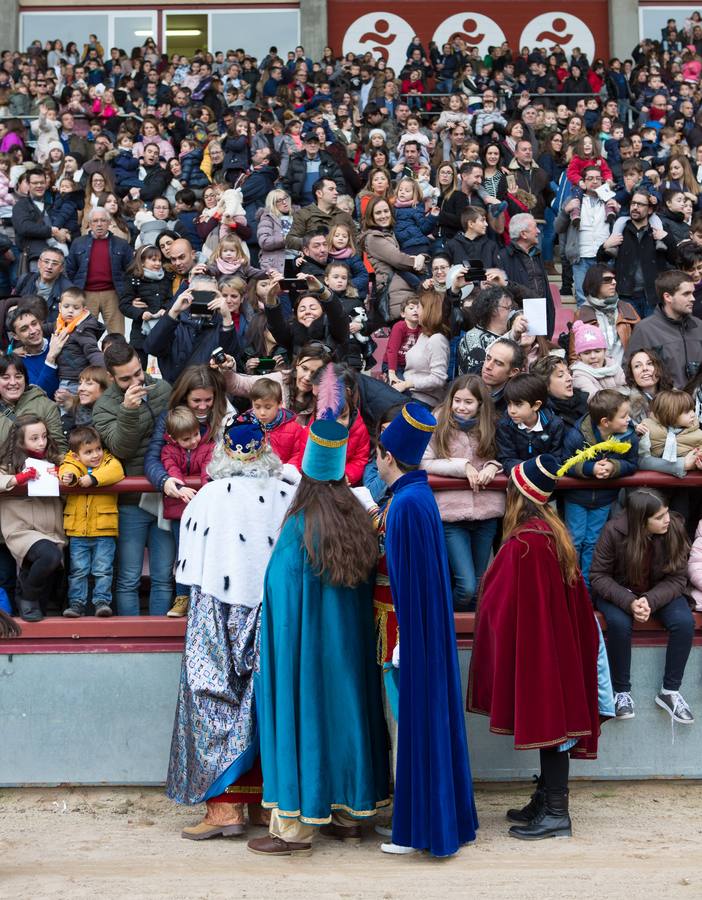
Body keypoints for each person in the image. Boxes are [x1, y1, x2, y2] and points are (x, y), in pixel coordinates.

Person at [249, 419, 389, 857]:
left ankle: (293, 828)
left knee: (304, 721)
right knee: (349, 717)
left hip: (305, 654)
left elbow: (280, 594)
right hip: (349, 651)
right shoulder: (357, 521)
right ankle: (350, 817)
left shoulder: (299, 527)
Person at [167, 415, 295, 839]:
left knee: (211, 692)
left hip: (219, 604)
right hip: (274, 607)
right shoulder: (289, 491)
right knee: (269, 699)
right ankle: (265, 804)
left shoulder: (209, 495)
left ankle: (224, 810)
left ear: (223, 450)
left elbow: (191, 565)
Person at [468, 455, 606, 840]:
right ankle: (547, 800)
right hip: (556, 645)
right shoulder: (551, 533)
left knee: (552, 726)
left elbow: (499, 602)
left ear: (517, 496)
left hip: (542, 649)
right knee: (553, 723)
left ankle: (557, 812)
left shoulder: (525, 545)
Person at [375, 402, 478, 856]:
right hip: (426, 633)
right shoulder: (418, 497)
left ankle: (422, 830)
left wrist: (404, 642)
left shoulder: (404, 506)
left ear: (388, 458)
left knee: (418, 724)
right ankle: (423, 821)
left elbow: (407, 585)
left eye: (378, 455)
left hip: (416, 636)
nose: (376, 463)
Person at [590, 488, 695, 724]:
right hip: (619, 592)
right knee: (618, 623)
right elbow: (598, 576)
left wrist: (649, 599)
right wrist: (629, 602)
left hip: (659, 591)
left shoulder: (674, 528)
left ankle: (670, 692)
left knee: (684, 622)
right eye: (659, 517)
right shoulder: (613, 531)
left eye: (666, 512)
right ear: (641, 521)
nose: (666, 519)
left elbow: (678, 578)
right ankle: (621, 693)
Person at [92, 342, 174, 616]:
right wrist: (128, 408)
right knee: (128, 578)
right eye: (125, 378)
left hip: (165, 494)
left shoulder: (162, 389)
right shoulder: (104, 406)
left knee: (163, 577)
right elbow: (121, 449)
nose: (135, 381)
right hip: (131, 500)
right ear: (112, 377)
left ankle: (160, 638)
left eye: (137, 373)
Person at [422, 375, 504, 611]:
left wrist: (492, 465)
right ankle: (443, 624)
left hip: (486, 512)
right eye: (457, 400)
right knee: (466, 585)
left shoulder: (493, 424)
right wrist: (462, 466)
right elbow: (424, 462)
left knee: (478, 587)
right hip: (451, 513)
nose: (460, 407)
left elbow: (506, 456)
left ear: (480, 404)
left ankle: (473, 641)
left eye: (468, 402)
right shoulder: (438, 421)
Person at [561, 389, 639, 588]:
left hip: (604, 500)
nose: (628, 420)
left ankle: (587, 587)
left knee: (593, 543)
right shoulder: (578, 436)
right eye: (623, 416)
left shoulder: (628, 436)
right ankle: (569, 585)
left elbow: (632, 463)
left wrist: (614, 467)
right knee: (575, 540)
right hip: (577, 499)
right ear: (605, 422)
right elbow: (565, 463)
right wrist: (590, 468)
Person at [0, 414, 66, 622]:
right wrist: (17, 479)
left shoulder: (56, 460)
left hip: (52, 530)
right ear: (20, 441)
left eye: (44, 436)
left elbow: (79, 474)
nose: (41, 442)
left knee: (43, 600)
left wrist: (65, 477)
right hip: (22, 530)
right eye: (34, 438)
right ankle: (25, 597)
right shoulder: (10, 463)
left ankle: (30, 605)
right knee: (50, 557)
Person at [58, 425, 124, 618]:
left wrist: (93, 479)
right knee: (78, 570)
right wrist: (69, 477)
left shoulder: (109, 461)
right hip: (78, 532)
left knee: (103, 570)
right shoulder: (72, 462)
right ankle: (77, 603)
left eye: (97, 449)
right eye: (88, 452)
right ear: (77, 455)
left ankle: (102, 601)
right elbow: (67, 469)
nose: (95, 455)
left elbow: (117, 471)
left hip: (104, 530)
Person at [625, 270, 702, 389]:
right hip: (665, 404)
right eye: (686, 294)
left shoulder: (699, 326)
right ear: (668, 297)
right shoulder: (645, 330)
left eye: (692, 293)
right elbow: (629, 372)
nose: (692, 298)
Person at [65, 206, 134, 335]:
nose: (99, 224)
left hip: (113, 294)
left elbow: (131, 270)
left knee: (117, 334)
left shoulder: (121, 244)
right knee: (85, 334)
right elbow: (70, 269)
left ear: (109, 223)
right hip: (86, 294)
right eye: (95, 221)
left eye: (103, 220)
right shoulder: (78, 243)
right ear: (89, 224)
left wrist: (127, 293)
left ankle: (116, 356)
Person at [496, 373, 568, 474]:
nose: (511, 410)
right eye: (509, 404)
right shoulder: (505, 425)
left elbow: (558, 458)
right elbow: (507, 459)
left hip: (545, 477)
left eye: (518, 404)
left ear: (536, 405)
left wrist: (538, 470)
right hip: (517, 478)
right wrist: (528, 471)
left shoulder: (555, 425)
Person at [573, 265, 639, 367]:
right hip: (595, 375)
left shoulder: (626, 308)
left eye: (614, 279)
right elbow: (574, 354)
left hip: (625, 374)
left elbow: (642, 343)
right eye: (607, 280)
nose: (614, 282)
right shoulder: (582, 313)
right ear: (594, 283)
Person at [391, 292, 449, 407]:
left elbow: (438, 379)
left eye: (419, 307)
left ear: (428, 311)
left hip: (421, 401)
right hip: (408, 394)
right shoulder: (423, 335)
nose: (416, 311)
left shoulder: (437, 339)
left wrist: (407, 384)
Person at [0, 353, 66, 452]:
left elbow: (59, 447)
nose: (13, 382)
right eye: (5, 378)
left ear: (25, 380)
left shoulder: (46, 406)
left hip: (40, 466)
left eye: (18, 377)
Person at [52, 287, 104, 393]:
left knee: (65, 407)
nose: (70, 311)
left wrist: (105, 370)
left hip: (74, 379)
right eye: (66, 306)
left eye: (76, 308)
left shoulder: (82, 329)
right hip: (62, 375)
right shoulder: (59, 324)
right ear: (60, 307)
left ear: (83, 310)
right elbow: (42, 329)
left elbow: (92, 351)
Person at [570, 320, 627, 398]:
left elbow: (626, 389)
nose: (593, 356)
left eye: (597, 351)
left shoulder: (614, 366)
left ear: (604, 351)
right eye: (587, 353)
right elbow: (596, 400)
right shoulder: (578, 375)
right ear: (579, 356)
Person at [532, 354, 589, 428]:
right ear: (545, 385)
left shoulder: (585, 401)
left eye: (568, 373)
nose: (570, 378)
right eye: (560, 375)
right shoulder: (544, 417)